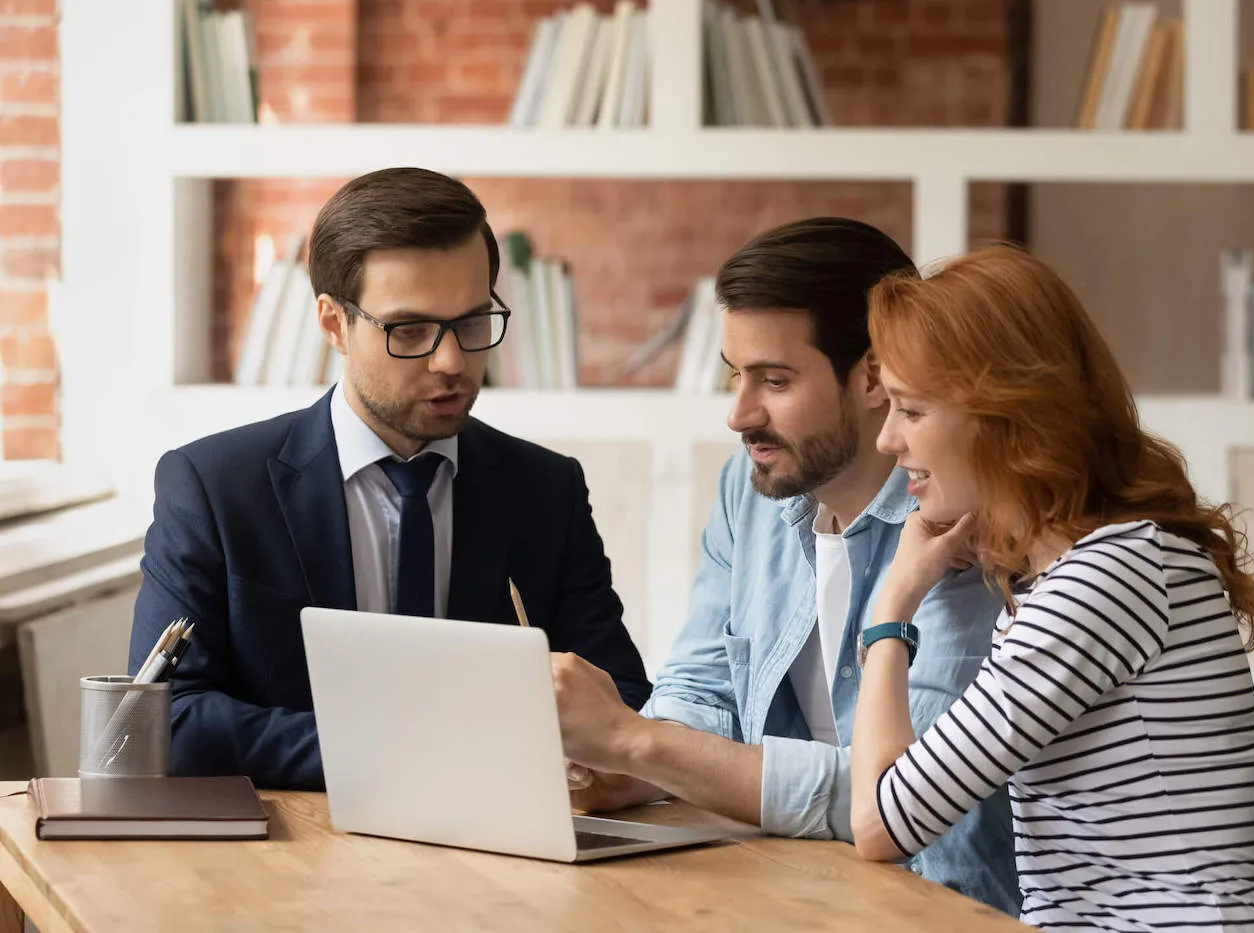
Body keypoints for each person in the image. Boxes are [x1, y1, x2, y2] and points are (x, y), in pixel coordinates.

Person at [550, 218, 1020, 914]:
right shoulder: (753, 491)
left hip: (947, 904)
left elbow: (908, 796)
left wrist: (641, 744)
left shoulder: (959, 516)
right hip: (789, 884)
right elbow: (701, 687)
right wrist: (622, 770)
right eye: (735, 375)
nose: (740, 414)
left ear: (871, 376)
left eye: (774, 379)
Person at [129, 167, 651, 789]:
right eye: (410, 330)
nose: (452, 361)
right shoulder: (212, 487)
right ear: (332, 324)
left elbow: (621, 701)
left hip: (501, 854)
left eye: (473, 322)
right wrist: (406, 755)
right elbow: (167, 717)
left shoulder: (547, 490)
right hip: (286, 859)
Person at [849, 244, 1254, 930]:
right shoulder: (1090, 572)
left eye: (911, 410)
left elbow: (882, 823)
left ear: (1003, 414)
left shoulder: (1107, 579)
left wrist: (894, 605)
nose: (887, 441)